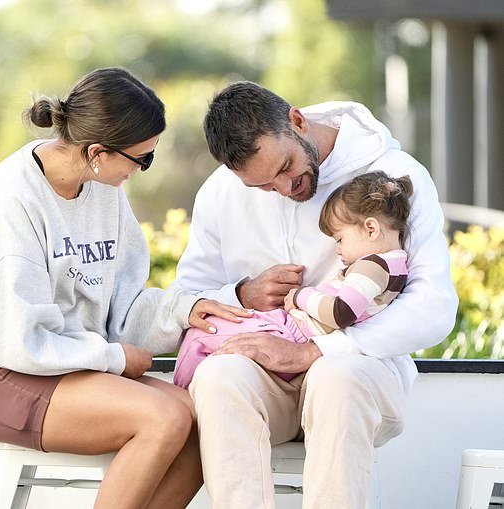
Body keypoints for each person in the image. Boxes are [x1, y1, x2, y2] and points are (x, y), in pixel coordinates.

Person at [0, 67, 250, 509]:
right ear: (97, 151)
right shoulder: (10, 201)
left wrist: (184, 310)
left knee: (201, 421)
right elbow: (19, 342)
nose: (141, 170)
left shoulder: (103, 187)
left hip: (67, 367)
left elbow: (124, 307)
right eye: (142, 158)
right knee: (161, 417)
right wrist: (114, 358)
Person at [175, 82, 458, 508]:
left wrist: (318, 351)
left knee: (335, 376)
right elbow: (188, 296)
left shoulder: (396, 174)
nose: (286, 189)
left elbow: (435, 306)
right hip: (267, 384)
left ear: (297, 120)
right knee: (217, 377)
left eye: (286, 167)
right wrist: (243, 293)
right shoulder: (219, 191)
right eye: (265, 187)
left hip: (360, 374)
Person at [174, 171, 413, 389]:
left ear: (371, 229)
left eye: (340, 239)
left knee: (200, 335)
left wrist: (300, 296)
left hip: (296, 335)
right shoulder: (396, 264)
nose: (338, 251)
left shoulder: (371, 267)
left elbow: (342, 311)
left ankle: (184, 400)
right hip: (299, 333)